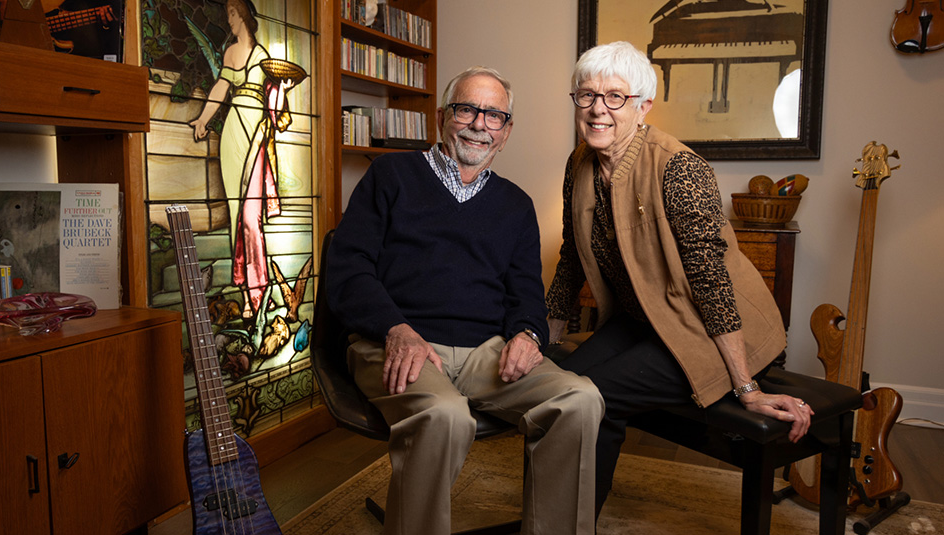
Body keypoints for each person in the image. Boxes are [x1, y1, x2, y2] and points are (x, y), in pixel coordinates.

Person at [326, 66, 604, 535]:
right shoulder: (390, 175)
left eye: (494, 115)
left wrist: (528, 334)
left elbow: (525, 293)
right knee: (445, 414)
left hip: (484, 353)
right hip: (397, 342)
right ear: (442, 117)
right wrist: (397, 330)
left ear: (506, 132)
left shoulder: (516, 205)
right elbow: (348, 270)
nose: (479, 124)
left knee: (580, 399)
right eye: (466, 110)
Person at [545, 41, 813, 517]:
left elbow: (711, 283)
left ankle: (571, 524)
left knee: (591, 397)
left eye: (615, 96)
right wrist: (545, 342)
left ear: (643, 106)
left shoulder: (680, 167)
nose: (597, 109)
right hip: (646, 321)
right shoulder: (579, 163)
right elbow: (571, 258)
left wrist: (747, 388)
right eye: (586, 95)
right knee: (555, 384)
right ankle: (545, 513)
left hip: (707, 328)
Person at [189, 0, 295, 321]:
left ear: (245, 16)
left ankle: (258, 291)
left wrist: (283, 89)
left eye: (233, 15)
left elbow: (274, 108)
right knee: (238, 212)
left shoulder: (263, 56)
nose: (230, 20)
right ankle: (250, 292)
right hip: (233, 133)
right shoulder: (231, 53)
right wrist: (203, 119)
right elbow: (220, 89)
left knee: (251, 218)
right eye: (228, 15)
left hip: (256, 136)